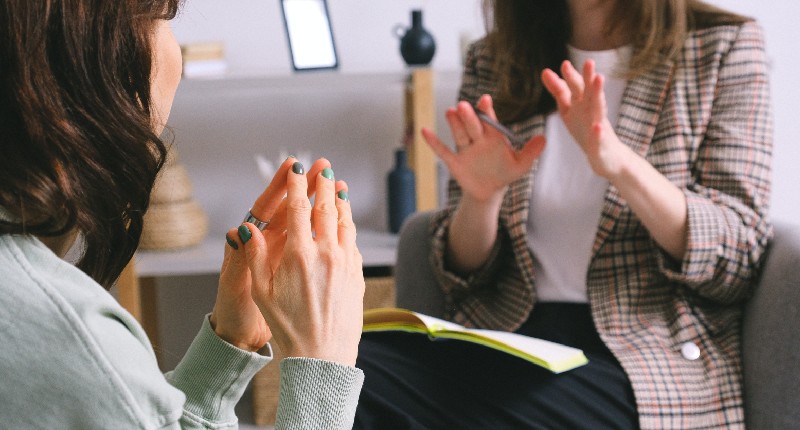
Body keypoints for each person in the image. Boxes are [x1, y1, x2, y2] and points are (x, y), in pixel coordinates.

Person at [353, 0, 772, 428]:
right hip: (507, 340)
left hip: (646, 359)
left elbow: (738, 256)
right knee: (342, 370)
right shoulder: (495, 58)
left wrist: (619, 163)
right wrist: (482, 197)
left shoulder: (722, 45)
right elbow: (463, 273)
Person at [0, 0, 365, 428]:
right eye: (165, 18)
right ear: (85, 52)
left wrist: (229, 344)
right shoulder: (77, 343)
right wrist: (323, 362)